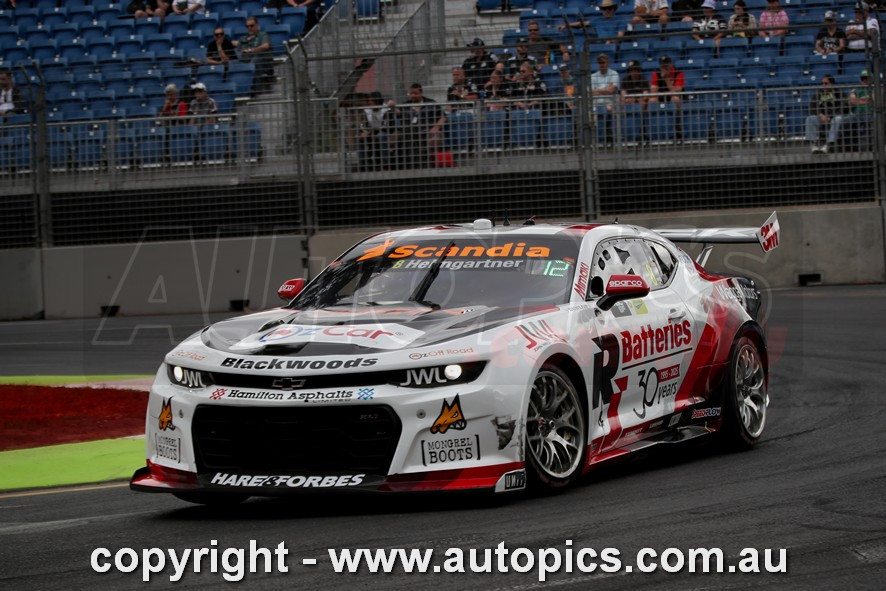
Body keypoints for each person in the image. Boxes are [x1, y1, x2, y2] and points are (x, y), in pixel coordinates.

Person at [396, 83, 446, 169]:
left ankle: (429, 166)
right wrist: (392, 106)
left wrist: (436, 127)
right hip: (409, 133)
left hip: (427, 132)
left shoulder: (431, 103)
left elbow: (443, 117)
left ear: (421, 93)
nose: (413, 95)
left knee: (434, 139)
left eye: (415, 93)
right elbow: (398, 112)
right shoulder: (405, 105)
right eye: (411, 93)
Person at [805, 75, 846, 153]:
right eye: (822, 83)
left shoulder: (840, 93)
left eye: (826, 83)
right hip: (822, 118)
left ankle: (828, 145)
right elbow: (812, 106)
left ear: (832, 83)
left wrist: (829, 117)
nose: (823, 85)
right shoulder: (819, 94)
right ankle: (813, 146)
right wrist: (820, 115)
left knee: (837, 119)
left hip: (833, 119)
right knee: (810, 119)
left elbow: (843, 108)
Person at [237, 17, 274, 95]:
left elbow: (265, 46)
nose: (249, 28)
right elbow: (238, 50)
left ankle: (256, 88)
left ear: (257, 25)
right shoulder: (243, 38)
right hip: (245, 59)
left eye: (252, 26)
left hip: (262, 60)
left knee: (254, 62)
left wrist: (251, 51)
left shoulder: (262, 35)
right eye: (247, 26)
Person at [357, 92, 393, 171]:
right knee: (360, 138)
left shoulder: (385, 109)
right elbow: (363, 125)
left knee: (381, 136)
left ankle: (385, 164)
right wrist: (364, 132)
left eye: (372, 100)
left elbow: (387, 126)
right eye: (369, 100)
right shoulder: (367, 111)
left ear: (377, 101)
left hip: (385, 132)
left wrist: (370, 133)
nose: (370, 102)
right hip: (372, 132)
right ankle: (362, 163)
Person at [560, 0, 626, 43]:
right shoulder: (597, 20)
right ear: (602, 10)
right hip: (600, 45)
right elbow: (582, 24)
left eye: (609, 8)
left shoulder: (620, 20)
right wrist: (567, 25)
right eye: (604, 9)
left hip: (614, 46)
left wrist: (610, 41)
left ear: (613, 9)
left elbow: (619, 37)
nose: (607, 11)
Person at [591, 53, 619, 143]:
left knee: (609, 109)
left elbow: (612, 90)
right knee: (592, 113)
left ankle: (609, 137)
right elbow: (591, 92)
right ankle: (595, 141)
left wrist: (598, 90)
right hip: (596, 104)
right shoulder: (593, 76)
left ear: (608, 63)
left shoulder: (614, 74)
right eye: (599, 63)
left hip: (610, 104)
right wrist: (606, 89)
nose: (601, 65)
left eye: (603, 62)